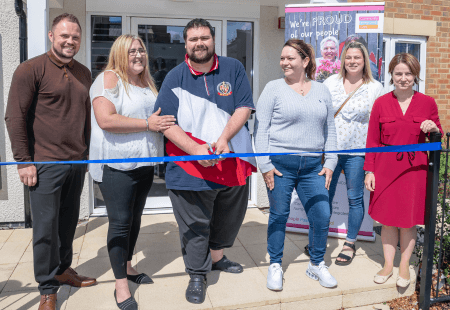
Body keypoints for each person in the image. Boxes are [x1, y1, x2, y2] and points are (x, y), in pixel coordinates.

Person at [153, 18, 256, 304]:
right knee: (195, 225)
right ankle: (197, 274)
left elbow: (244, 106)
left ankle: (217, 257)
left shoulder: (233, 68)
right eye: (193, 39)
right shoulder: (174, 77)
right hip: (189, 168)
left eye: (205, 38)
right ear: (185, 44)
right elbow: (164, 122)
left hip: (232, 162)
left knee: (228, 219)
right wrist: (195, 150)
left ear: (213, 40)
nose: (200, 43)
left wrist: (223, 139)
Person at [5, 13, 96, 310]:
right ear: (51, 36)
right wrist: (23, 161)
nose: (70, 41)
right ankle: (47, 287)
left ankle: (62, 269)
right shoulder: (30, 69)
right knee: (45, 229)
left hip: (76, 163)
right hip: (44, 164)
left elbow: (86, 118)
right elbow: (14, 117)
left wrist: (86, 155)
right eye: (64, 36)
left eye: (75, 37)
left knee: (67, 223)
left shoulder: (83, 72)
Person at [89, 34, 176, 310]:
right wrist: (148, 124)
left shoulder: (145, 82)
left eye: (141, 50)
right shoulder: (109, 79)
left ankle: (127, 267)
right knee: (120, 223)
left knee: (135, 219)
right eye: (131, 52)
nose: (138, 55)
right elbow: (106, 120)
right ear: (119, 54)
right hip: (117, 166)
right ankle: (121, 286)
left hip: (143, 164)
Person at [254, 38, 338, 291]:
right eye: (282, 58)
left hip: (313, 166)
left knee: (321, 215)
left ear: (305, 61)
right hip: (280, 165)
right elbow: (261, 130)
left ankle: (315, 264)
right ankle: (276, 264)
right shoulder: (273, 88)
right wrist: (265, 165)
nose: (284, 63)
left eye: (290, 58)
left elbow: (330, 128)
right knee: (279, 215)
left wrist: (332, 161)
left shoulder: (322, 90)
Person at [364, 53, 443, 287]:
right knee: (388, 220)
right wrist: (370, 170)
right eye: (398, 73)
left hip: (414, 170)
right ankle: (388, 264)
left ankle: (404, 264)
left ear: (415, 75)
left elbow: (438, 140)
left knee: (408, 221)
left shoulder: (427, 103)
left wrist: (433, 129)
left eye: (408, 74)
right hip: (385, 167)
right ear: (391, 75)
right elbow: (372, 140)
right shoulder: (381, 103)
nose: (403, 78)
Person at [320, 41, 384, 265]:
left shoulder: (375, 87)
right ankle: (320, 239)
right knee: (323, 196)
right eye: (349, 57)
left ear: (364, 60)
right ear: (343, 60)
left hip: (358, 153)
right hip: (331, 152)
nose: (353, 61)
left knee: (355, 198)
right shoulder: (330, 82)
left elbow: (378, 124)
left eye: (357, 57)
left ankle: (349, 242)